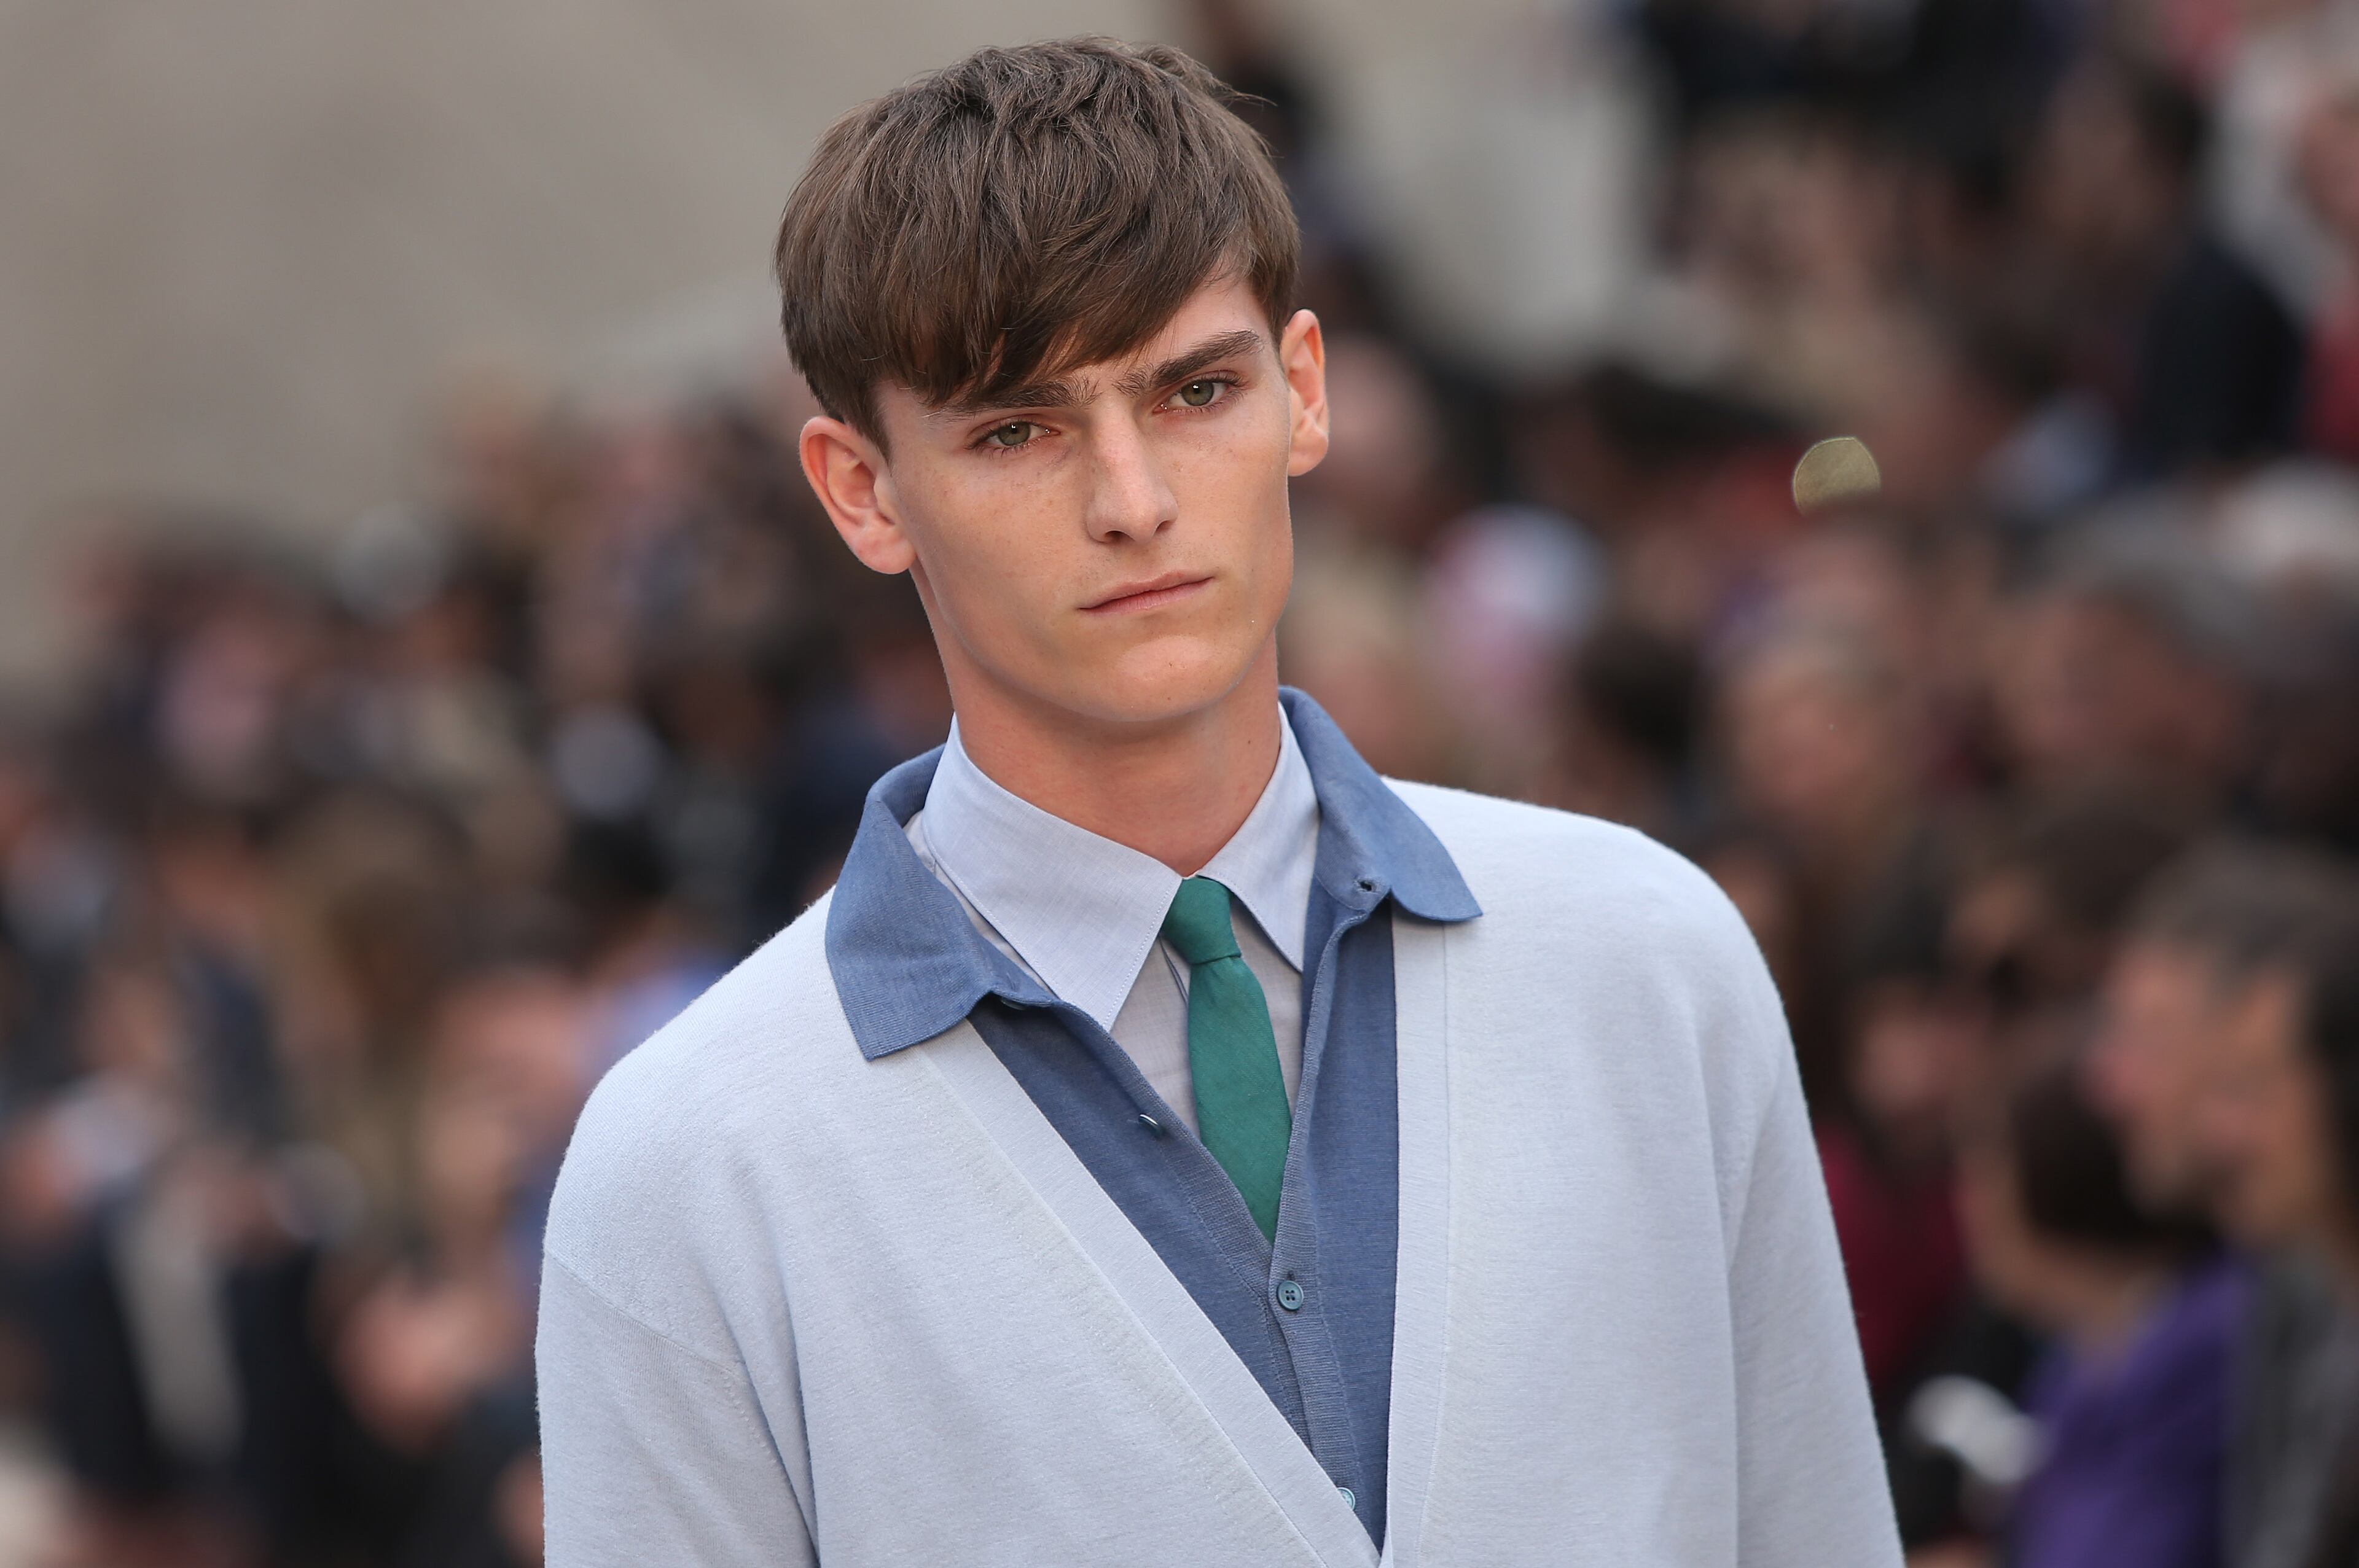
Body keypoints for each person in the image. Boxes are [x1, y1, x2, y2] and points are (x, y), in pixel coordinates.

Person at [534, 37, 1899, 1566]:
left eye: (1194, 389)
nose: (1134, 497)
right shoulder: (691, 1163)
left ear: (1301, 390)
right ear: (862, 491)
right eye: (1017, 429)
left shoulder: (1652, 958)